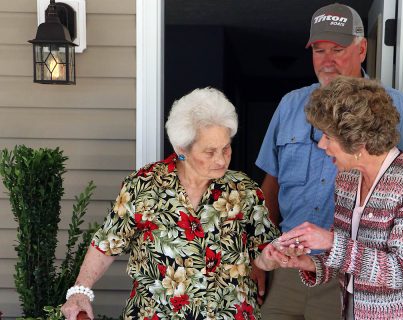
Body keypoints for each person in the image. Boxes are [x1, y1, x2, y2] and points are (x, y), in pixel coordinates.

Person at [254, 3, 403, 319]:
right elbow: (272, 182)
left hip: (356, 281)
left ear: (362, 49)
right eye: (319, 50)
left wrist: (330, 245)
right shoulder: (290, 105)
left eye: (338, 49)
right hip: (299, 265)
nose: (327, 60)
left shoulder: (399, 110)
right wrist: (264, 254)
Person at [61, 87, 281, 320]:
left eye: (226, 148)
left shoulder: (243, 189)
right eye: (210, 151)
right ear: (181, 149)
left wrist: (273, 257)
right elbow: (108, 242)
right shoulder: (145, 185)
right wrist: (80, 290)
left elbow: (262, 252)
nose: (221, 159)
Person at [268, 76, 403, 319]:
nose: (321, 144)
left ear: (358, 141)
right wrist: (309, 264)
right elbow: (347, 259)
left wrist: (329, 241)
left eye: (328, 136)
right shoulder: (348, 180)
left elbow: (400, 272)